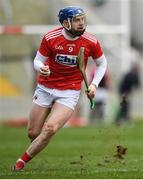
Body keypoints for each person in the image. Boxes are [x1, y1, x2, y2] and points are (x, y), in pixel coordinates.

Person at [13, 6, 107, 171]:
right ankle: (41, 139)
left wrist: (93, 84)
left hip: (69, 92)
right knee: (33, 133)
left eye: (82, 19)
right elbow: (37, 60)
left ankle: (21, 162)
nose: (81, 23)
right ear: (65, 23)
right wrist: (41, 67)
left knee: (50, 128)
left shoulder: (91, 41)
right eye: (76, 20)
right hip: (45, 87)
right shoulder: (51, 38)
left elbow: (102, 64)